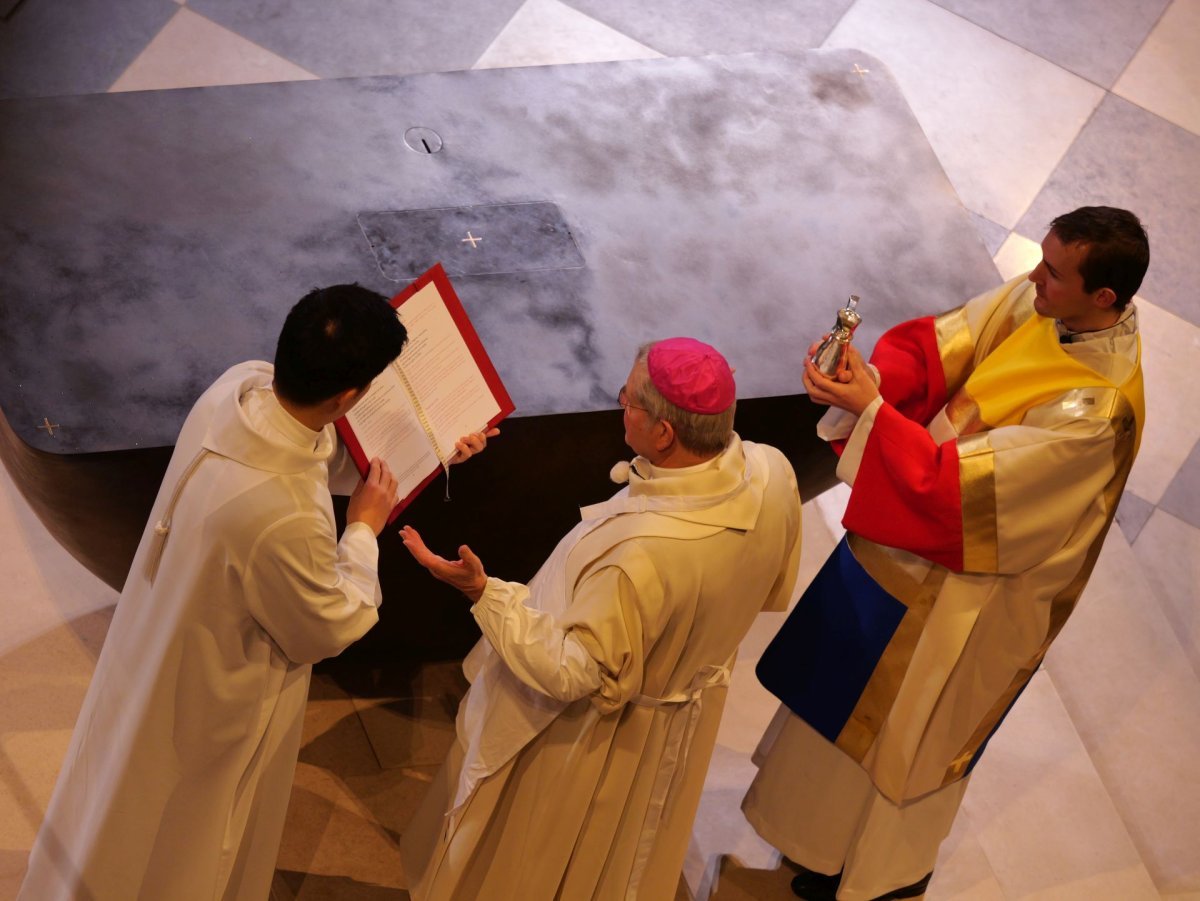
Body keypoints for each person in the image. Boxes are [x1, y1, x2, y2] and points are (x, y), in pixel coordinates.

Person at [18, 284, 494, 901]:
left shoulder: (239, 387)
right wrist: (363, 529)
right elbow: (326, 624)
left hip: (158, 635)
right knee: (186, 831)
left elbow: (311, 452)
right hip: (216, 685)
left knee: (115, 786)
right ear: (349, 396)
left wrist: (432, 448)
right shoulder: (284, 514)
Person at [744, 206, 1149, 901]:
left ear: (1103, 298)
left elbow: (964, 496)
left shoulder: (1096, 409)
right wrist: (868, 380)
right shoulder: (1043, 299)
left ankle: (876, 882)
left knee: (907, 746)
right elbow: (941, 347)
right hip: (907, 542)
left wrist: (874, 415)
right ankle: (812, 852)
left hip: (972, 594)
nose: (1033, 277)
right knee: (839, 704)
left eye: (1053, 271)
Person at [398, 337, 803, 900]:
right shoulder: (772, 470)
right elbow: (770, 587)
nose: (619, 402)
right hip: (686, 704)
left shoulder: (642, 555)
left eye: (630, 399)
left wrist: (483, 593)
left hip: (595, 734)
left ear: (664, 432)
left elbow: (571, 674)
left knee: (542, 854)